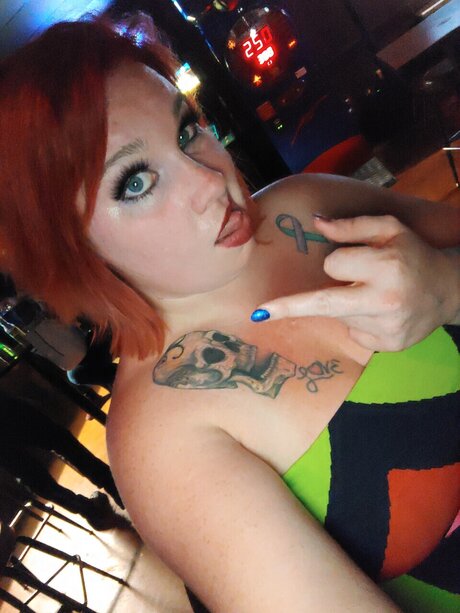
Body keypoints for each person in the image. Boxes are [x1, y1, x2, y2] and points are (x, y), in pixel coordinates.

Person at [0, 12, 458, 612]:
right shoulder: (160, 441)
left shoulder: (303, 207)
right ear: (73, 249)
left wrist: (448, 286)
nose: (211, 182)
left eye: (187, 130)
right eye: (135, 182)